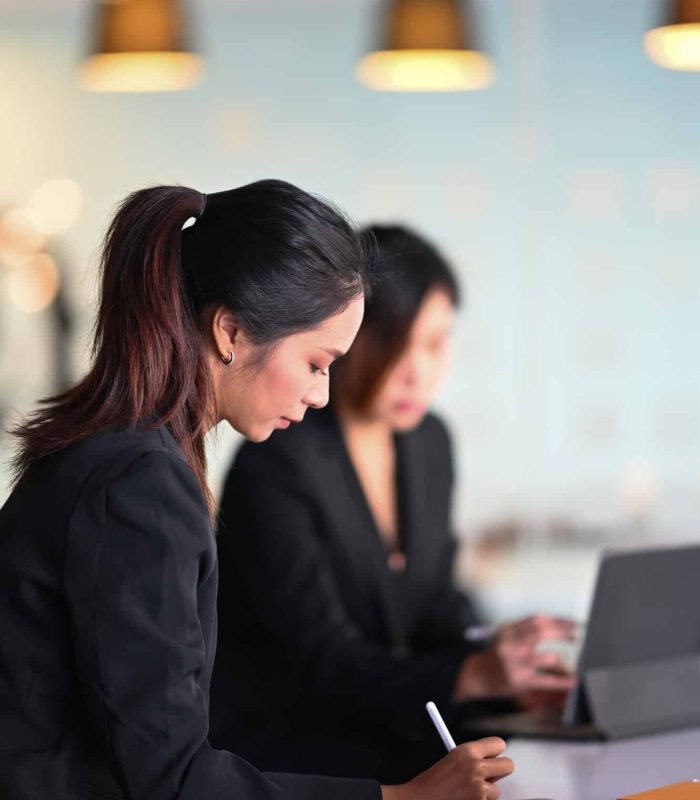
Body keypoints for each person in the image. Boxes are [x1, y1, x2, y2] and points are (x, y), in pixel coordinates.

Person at [0, 187, 514, 800]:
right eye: (317, 363)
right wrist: (401, 798)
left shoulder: (129, 454)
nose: (321, 394)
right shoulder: (140, 486)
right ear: (231, 332)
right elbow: (173, 780)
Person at [211, 224, 575, 782]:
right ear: (347, 335)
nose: (417, 371)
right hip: (291, 754)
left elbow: (432, 603)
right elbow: (320, 661)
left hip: (389, 727)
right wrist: (472, 676)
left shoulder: (428, 443)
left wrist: (502, 650)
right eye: (396, 344)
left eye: (434, 344)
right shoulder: (278, 461)